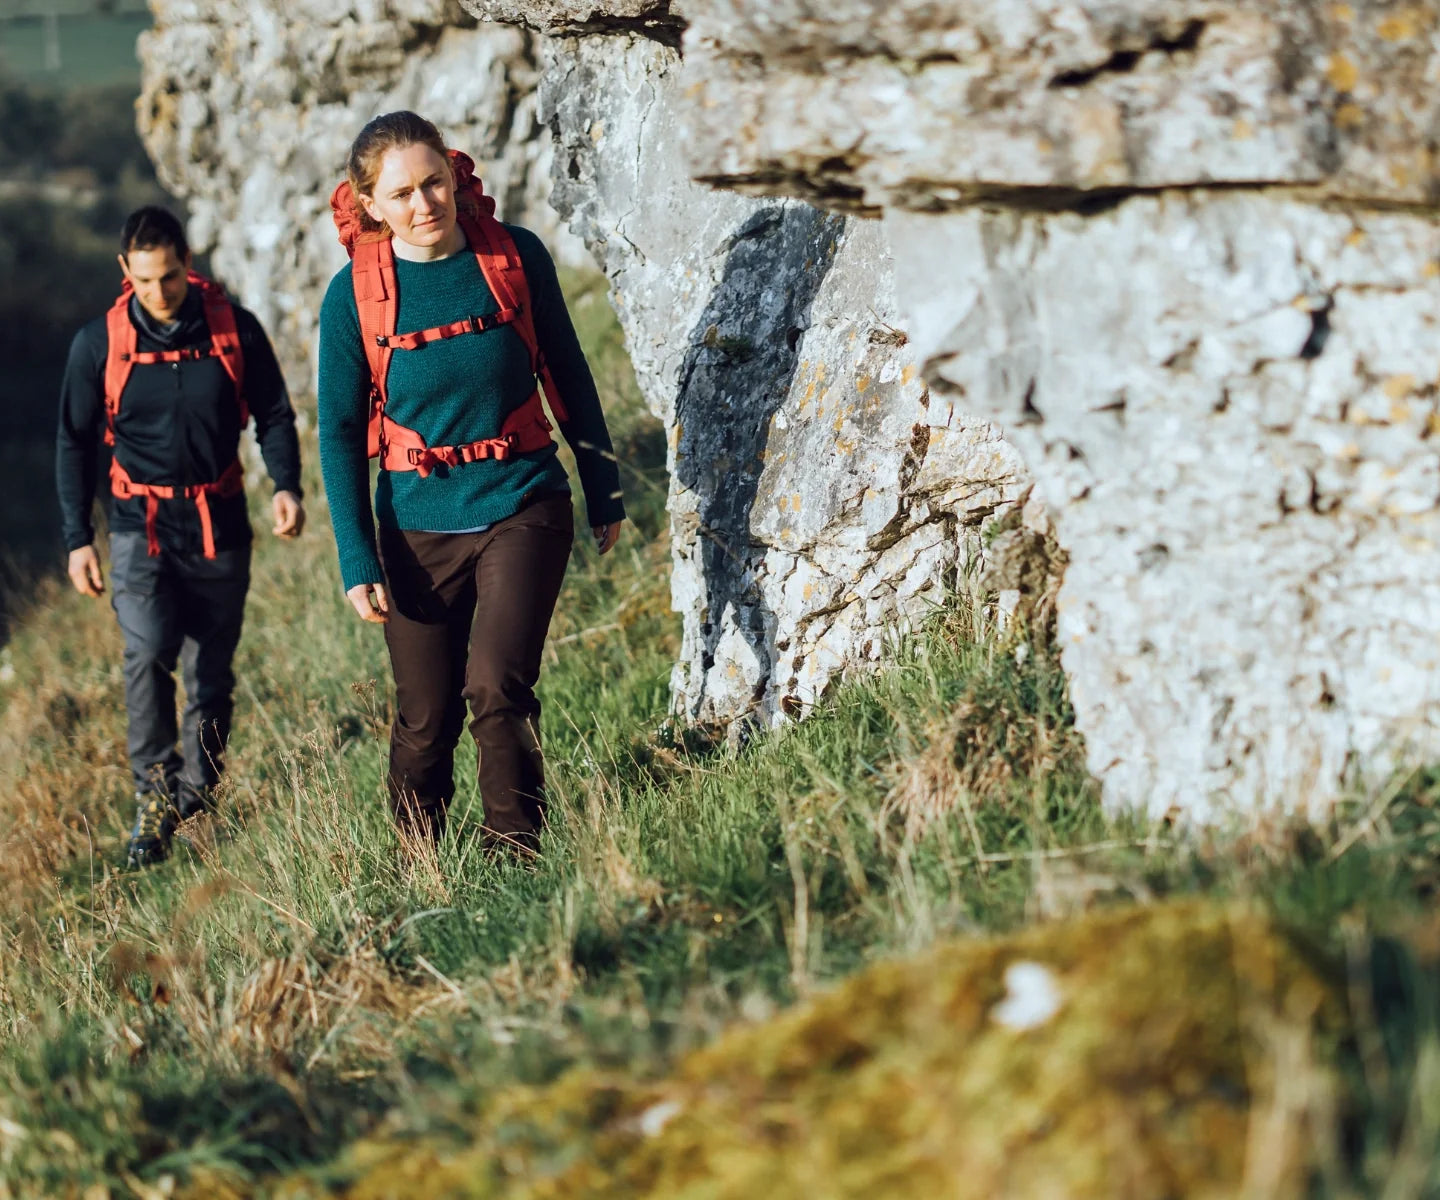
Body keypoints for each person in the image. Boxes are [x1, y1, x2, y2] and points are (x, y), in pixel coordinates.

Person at [319, 110, 625, 857]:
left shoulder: (514, 258)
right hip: (415, 525)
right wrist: (358, 561)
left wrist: (603, 485)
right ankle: (419, 862)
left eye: (435, 183)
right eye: (401, 195)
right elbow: (335, 433)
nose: (425, 206)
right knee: (424, 719)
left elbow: (569, 374)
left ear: (457, 176)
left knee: (495, 686)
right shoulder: (352, 296)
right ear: (370, 205)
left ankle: (515, 852)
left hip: (522, 499)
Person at [56, 205, 306, 867]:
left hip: (219, 523)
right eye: (144, 282)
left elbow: (275, 414)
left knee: (210, 676)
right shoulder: (98, 344)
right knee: (146, 654)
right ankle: (154, 798)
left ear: (187, 263)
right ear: (124, 273)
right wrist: (78, 537)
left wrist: (286, 485)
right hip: (140, 528)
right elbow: (74, 442)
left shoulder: (233, 329)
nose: (159, 295)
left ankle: (200, 799)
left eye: (169, 278)